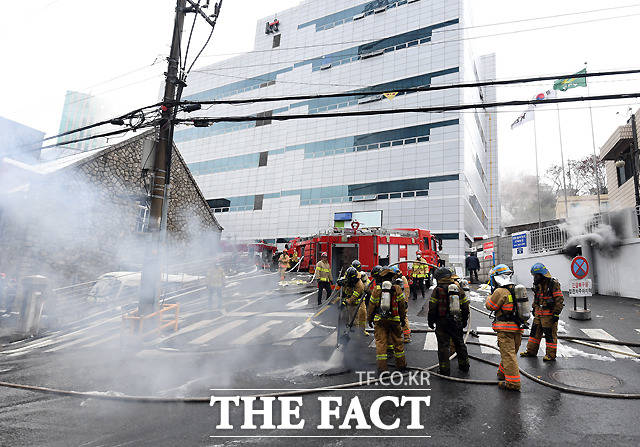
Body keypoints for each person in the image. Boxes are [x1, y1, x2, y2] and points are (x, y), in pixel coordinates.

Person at [485, 264, 523, 391]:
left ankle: (513, 384)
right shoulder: (516, 288)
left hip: (505, 328)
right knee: (510, 353)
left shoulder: (500, 291)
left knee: (508, 355)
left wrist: (490, 296)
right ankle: (502, 373)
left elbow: (490, 306)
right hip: (518, 328)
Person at [428, 267, 470, 375]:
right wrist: (464, 320)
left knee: (443, 346)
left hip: (441, 322)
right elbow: (465, 305)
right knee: (459, 343)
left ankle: (444, 370)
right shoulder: (457, 288)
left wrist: (430, 321)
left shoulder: (437, 290)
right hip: (456, 321)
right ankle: (464, 365)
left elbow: (432, 307)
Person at [520, 263, 564, 361]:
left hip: (549, 316)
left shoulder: (553, 284)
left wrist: (556, 313)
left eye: (536, 275)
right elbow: (537, 298)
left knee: (550, 336)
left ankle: (550, 355)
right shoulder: (538, 285)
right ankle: (531, 351)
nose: (534, 278)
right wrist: (534, 308)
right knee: (534, 334)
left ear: (541, 275)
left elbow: (559, 299)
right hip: (539, 314)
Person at [367, 271, 407, 374]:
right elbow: (401, 306)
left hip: (380, 320)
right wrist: (402, 319)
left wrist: (369, 319)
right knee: (398, 342)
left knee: (381, 343)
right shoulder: (397, 288)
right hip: (394, 320)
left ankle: (382, 368)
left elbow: (371, 306)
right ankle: (401, 365)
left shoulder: (377, 289)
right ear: (392, 278)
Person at [339, 267, 367, 334]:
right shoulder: (349, 277)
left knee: (355, 321)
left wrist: (346, 302)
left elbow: (353, 297)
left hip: (357, 303)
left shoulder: (359, 285)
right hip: (349, 302)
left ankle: (356, 335)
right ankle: (345, 332)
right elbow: (345, 285)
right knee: (344, 318)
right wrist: (341, 282)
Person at [391, 265, 411, 343]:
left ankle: (407, 336)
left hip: (402, 302)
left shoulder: (403, 279)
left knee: (403, 318)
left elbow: (406, 291)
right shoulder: (394, 279)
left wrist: (405, 301)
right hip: (396, 301)